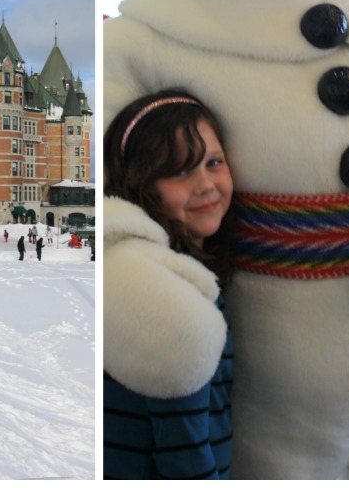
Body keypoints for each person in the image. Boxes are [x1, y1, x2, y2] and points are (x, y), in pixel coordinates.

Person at [103, 90, 235, 480]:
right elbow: (185, 452)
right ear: (141, 182)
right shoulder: (171, 299)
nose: (206, 184)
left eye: (214, 162)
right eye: (179, 170)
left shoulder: (140, 266)